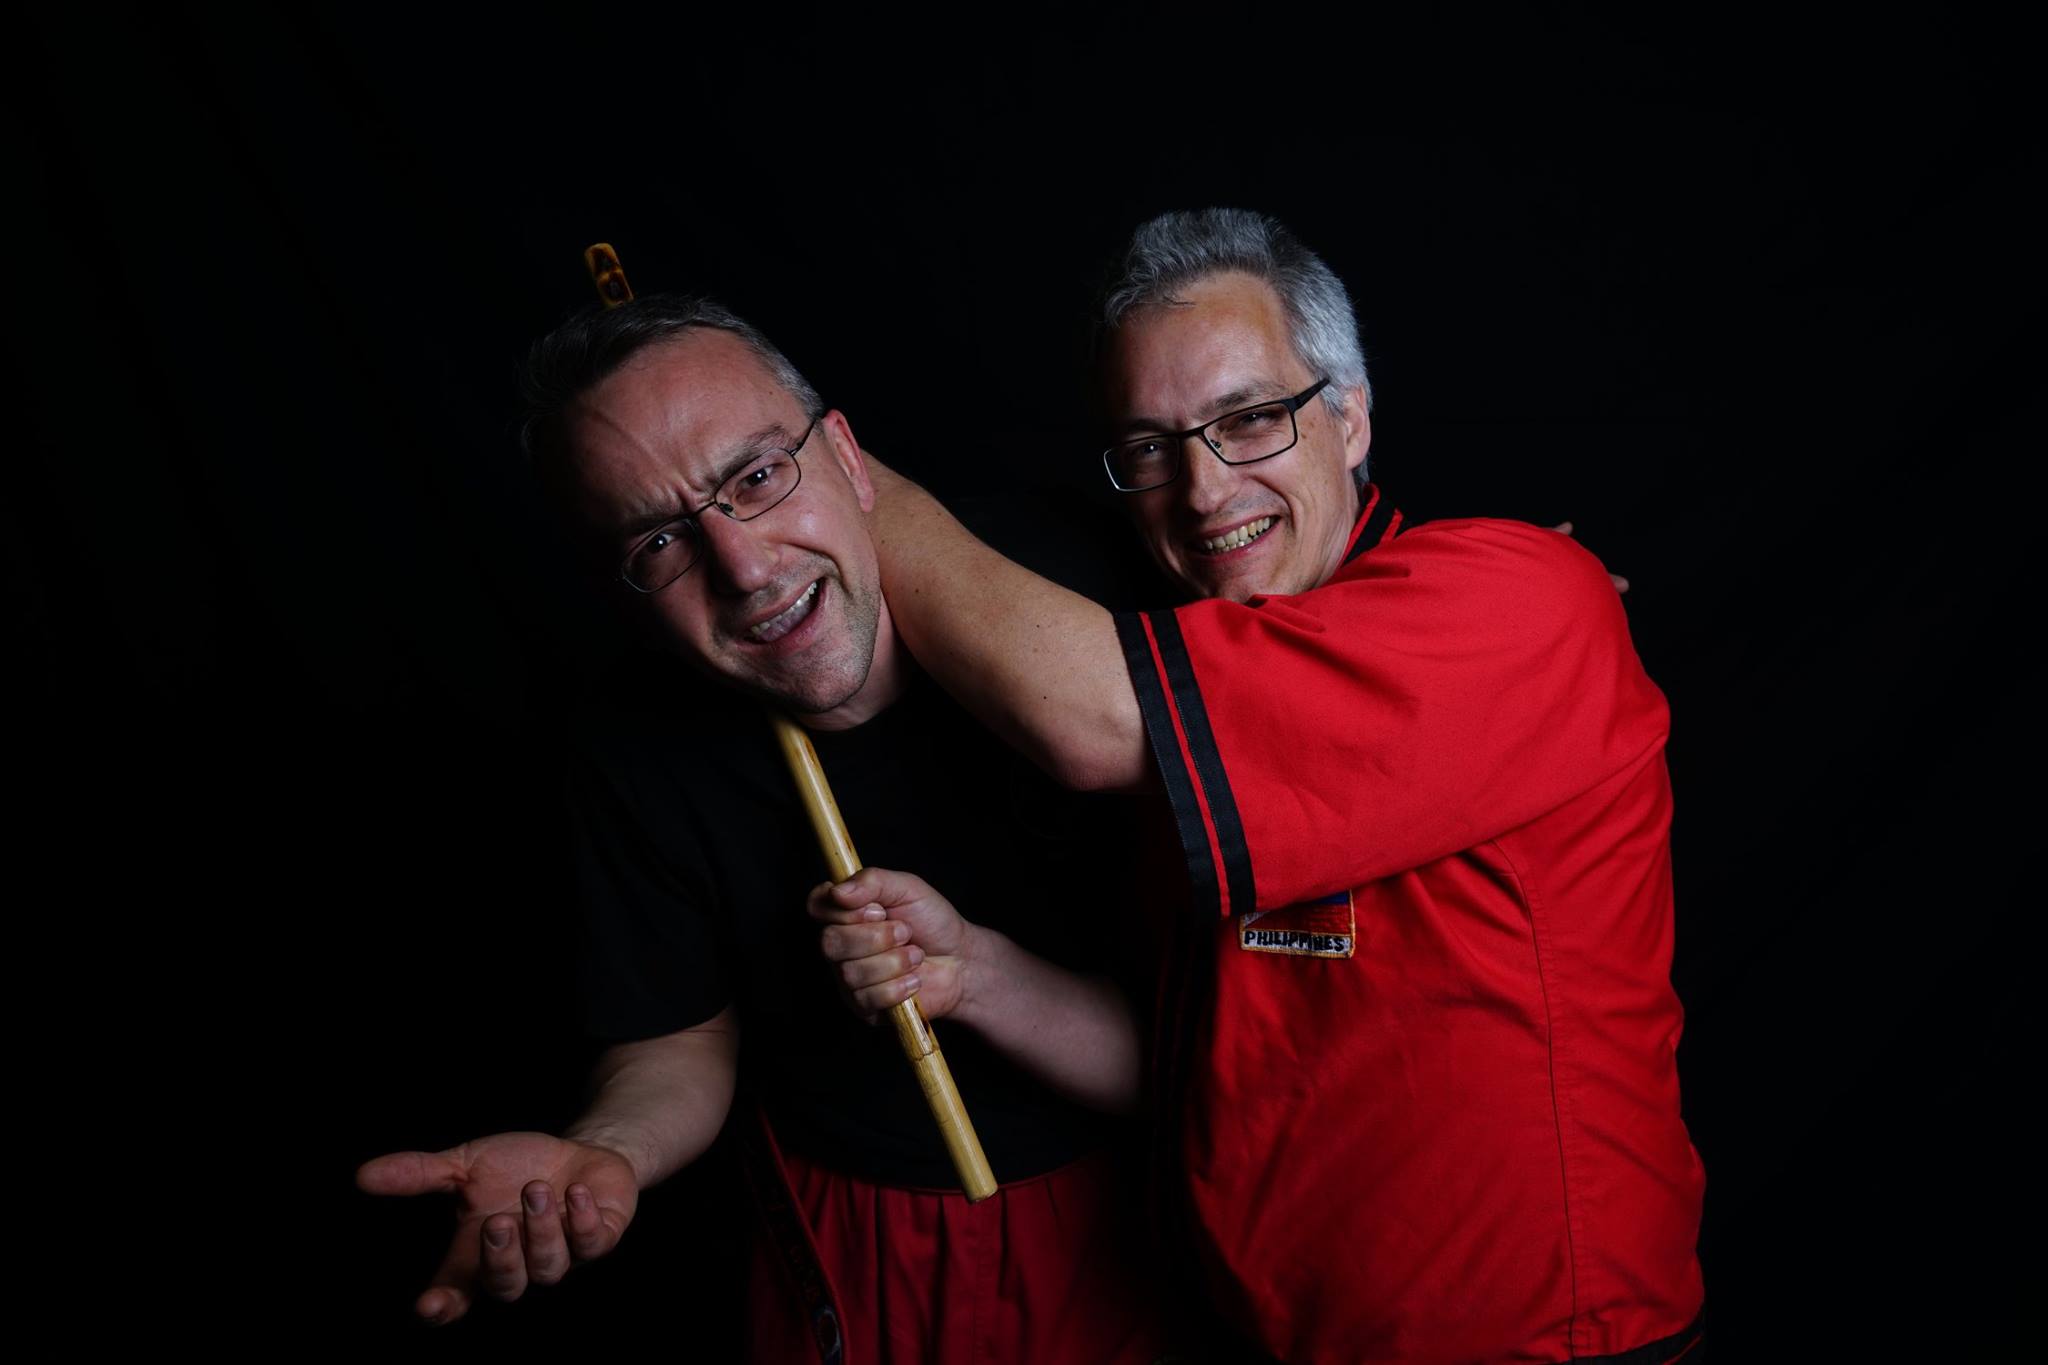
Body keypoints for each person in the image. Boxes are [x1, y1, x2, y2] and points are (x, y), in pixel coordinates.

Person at [816, 208, 1707, 1364]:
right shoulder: (1199, 718)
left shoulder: (1513, 597)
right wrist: (974, 973)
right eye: (1149, 448)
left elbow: (1086, 720)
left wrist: (824, 473)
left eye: (1247, 419)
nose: (1201, 489)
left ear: (1349, 417)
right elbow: (1202, 1072)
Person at [356, 296, 1168, 1364]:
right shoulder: (633, 741)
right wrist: (609, 1149)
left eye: (754, 477)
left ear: (846, 457)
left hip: (1153, 1196)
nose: (744, 569)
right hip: (858, 1230)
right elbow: (680, 1034)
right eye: (660, 540)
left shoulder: (1078, 582)